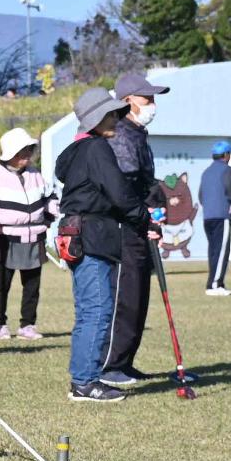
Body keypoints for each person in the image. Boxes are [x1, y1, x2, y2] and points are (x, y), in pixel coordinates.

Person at [56, 89, 142, 402]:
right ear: (96, 118)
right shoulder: (97, 149)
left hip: (82, 234)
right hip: (91, 236)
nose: (117, 120)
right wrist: (143, 218)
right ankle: (85, 382)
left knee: (90, 310)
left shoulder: (79, 150)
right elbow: (118, 192)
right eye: (111, 114)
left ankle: (84, 379)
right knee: (97, 310)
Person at [97, 69, 170, 389]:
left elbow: (145, 182)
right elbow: (126, 186)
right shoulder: (122, 135)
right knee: (124, 296)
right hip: (124, 227)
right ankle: (110, 363)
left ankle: (125, 361)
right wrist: (147, 215)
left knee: (139, 294)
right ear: (127, 102)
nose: (153, 104)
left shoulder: (138, 133)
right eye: (147, 98)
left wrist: (158, 205)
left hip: (139, 225)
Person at [0, 127, 55, 337]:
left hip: (33, 235)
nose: (27, 156)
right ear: (11, 153)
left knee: (32, 285)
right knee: (1, 285)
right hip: (4, 237)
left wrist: (48, 219)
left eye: (29, 151)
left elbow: (51, 199)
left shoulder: (35, 174)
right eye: (22, 152)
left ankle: (27, 325)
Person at [198, 141, 231, 295]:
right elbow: (229, 188)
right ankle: (215, 285)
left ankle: (213, 283)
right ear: (226, 155)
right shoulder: (227, 170)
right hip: (222, 215)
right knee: (222, 251)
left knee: (214, 250)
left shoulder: (206, 172)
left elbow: (201, 195)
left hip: (208, 216)